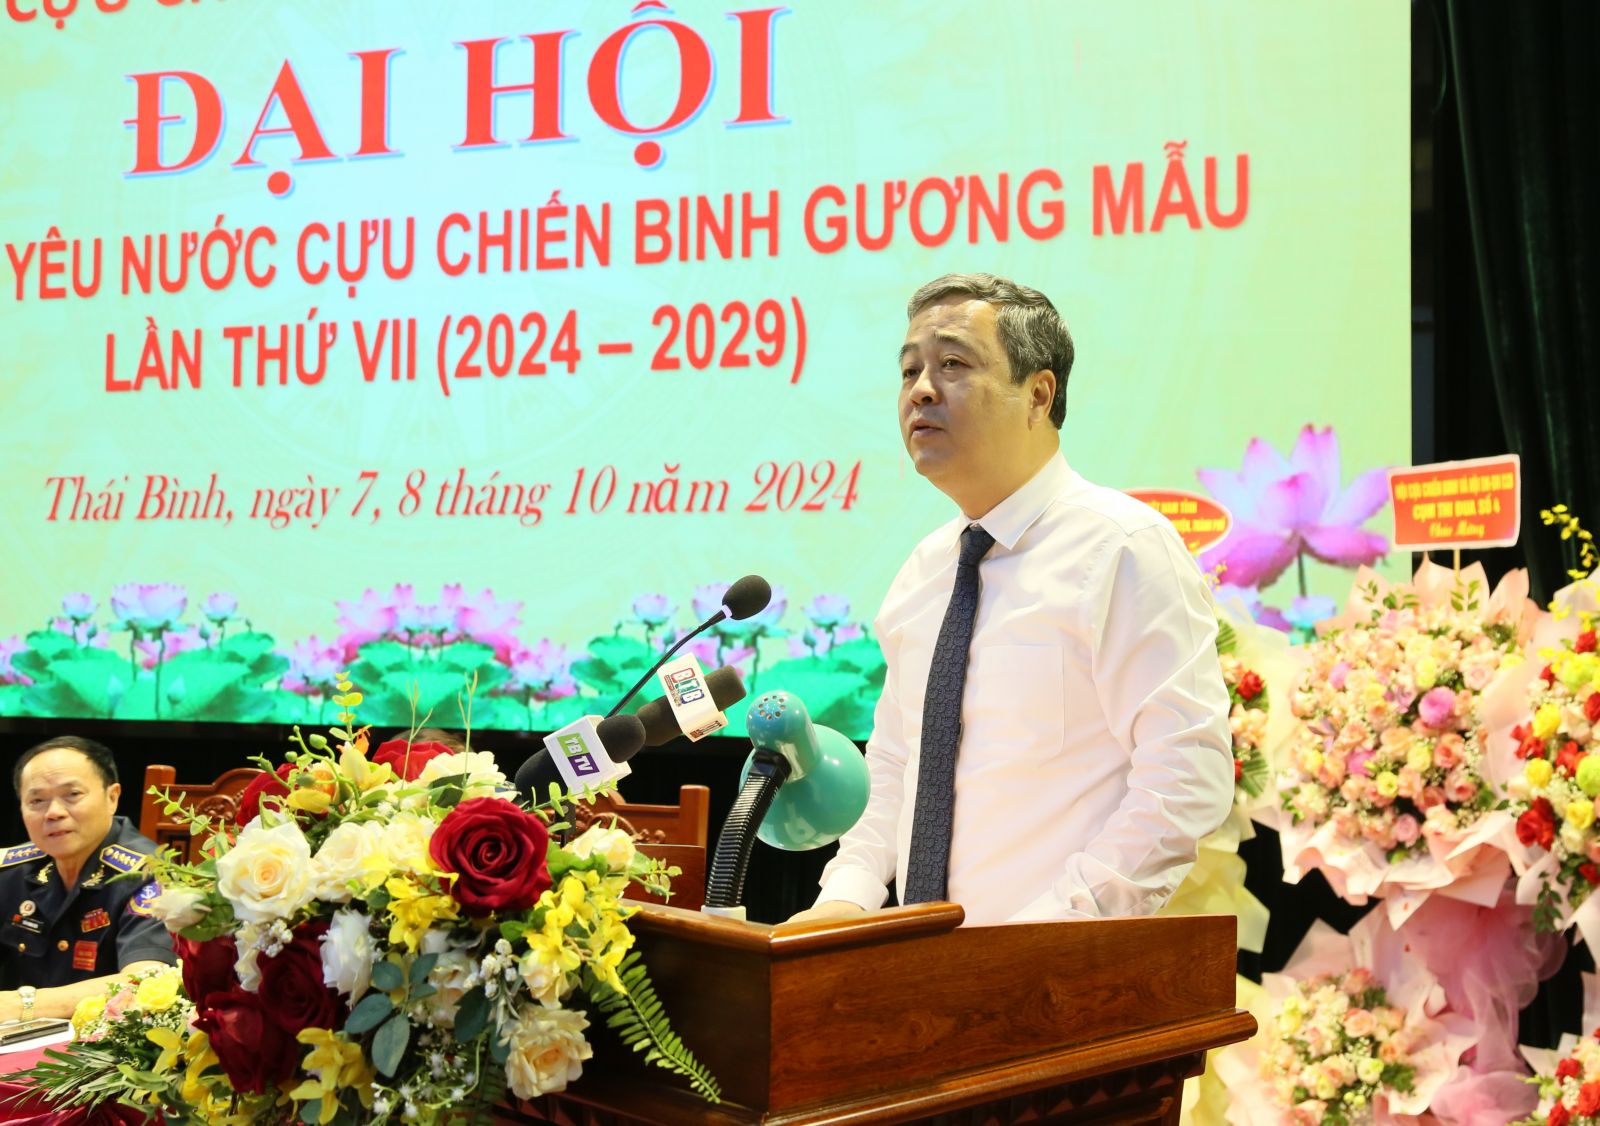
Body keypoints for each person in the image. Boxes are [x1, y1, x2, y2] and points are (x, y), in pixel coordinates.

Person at [793, 273, 1233, 927]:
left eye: (952, 364)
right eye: (910, 370)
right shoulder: (925, 571)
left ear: (1039, 394)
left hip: (1058, 962)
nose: (921, 389)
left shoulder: (1122, 547)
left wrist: (1050, 931)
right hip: (916, 966)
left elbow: (1185, 776)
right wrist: (845, 898)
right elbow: (894, 764)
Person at [0, 736, 176, 1020]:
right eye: (37, 800)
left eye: (72, 795)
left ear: (112, 798)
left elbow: (147, 981)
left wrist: (23, 1005)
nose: (54, 812)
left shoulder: (149, 874)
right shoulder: (12, 870)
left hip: (110, 1040)